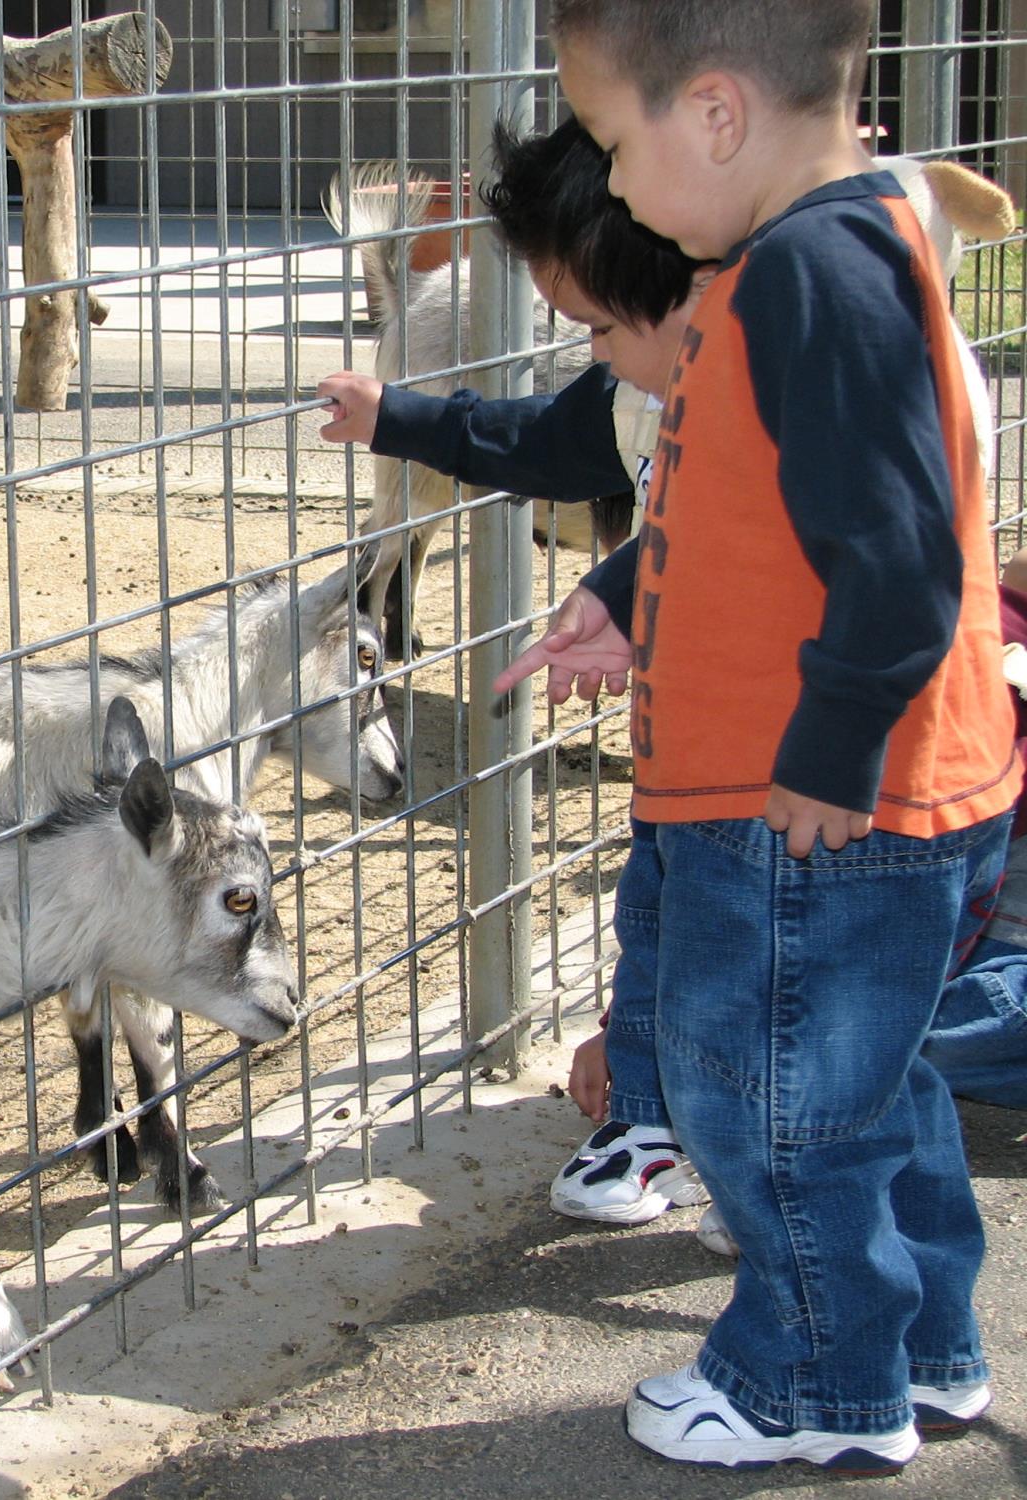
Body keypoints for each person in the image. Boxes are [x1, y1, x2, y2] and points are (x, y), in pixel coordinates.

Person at [494, 0, 1021, 1473]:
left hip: (813, 810)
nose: (619, 182)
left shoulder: (807, 275)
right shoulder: (826, 252)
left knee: (768, 1110)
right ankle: (922, 1349)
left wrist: (827, 754)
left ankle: (809, 1376)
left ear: (715, 114)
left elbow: (902, 553)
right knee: (870, 1091)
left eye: (614, 138)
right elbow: (778, 522)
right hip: (884, 796)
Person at [319, 117, 723, 1231]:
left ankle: (717, 1141)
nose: (583, 345)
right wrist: (393, 415)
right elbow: (546, 444)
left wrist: (628, 582)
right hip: (682, 737)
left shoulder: (752, 395)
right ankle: (653, 1110)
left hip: (763, 750)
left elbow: (722, 531)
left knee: (716, 924)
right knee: (664, 901)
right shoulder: (635, 379)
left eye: (591, 324)